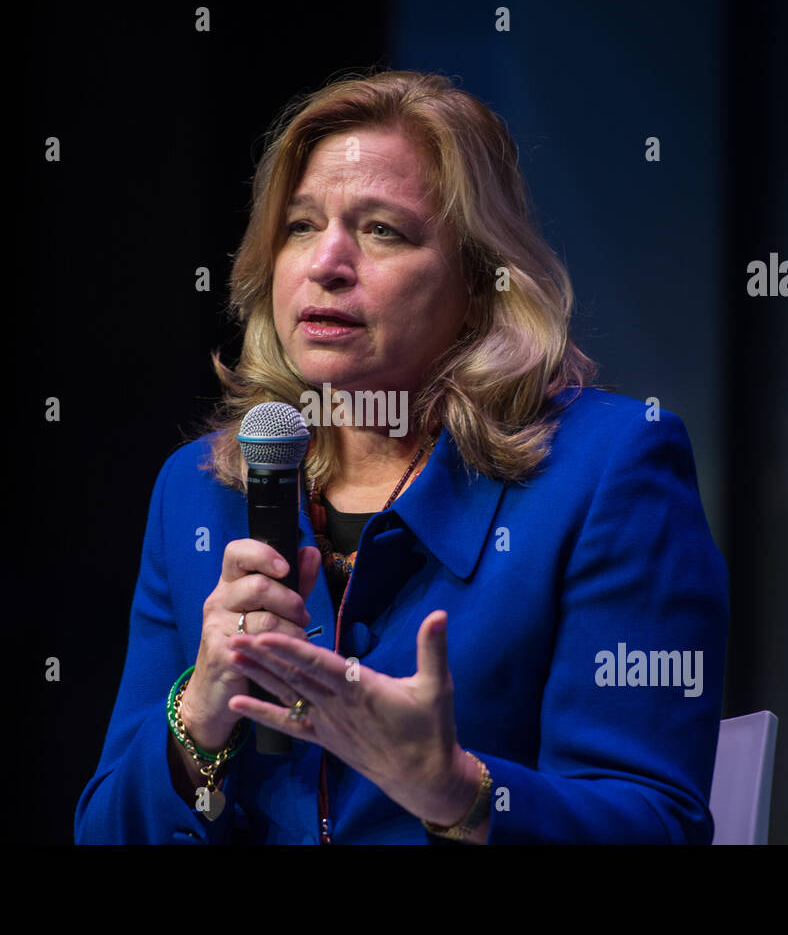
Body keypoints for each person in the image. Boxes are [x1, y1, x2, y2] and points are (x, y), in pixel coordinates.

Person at [74, 69, 729, 844]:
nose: (328, 262)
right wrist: (199, 715)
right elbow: (104, 830)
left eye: (383, 229)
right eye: (300, 226)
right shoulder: (200, 489)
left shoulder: (607, 471)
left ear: (481, 281)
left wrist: (460, 792)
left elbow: (656, 824)